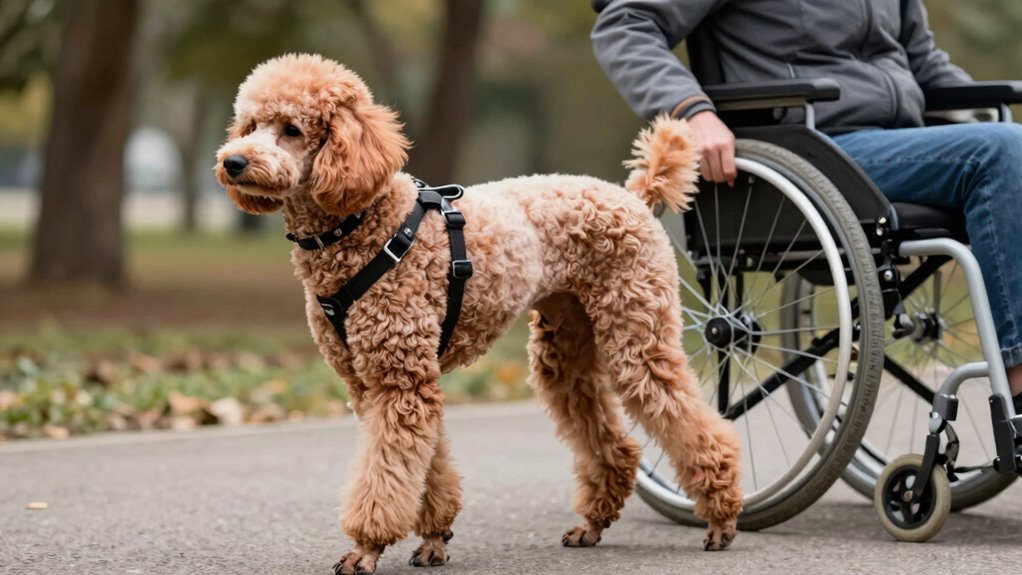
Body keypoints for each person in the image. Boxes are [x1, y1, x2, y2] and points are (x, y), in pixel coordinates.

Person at [591, 0, 1022, 407]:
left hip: (894, 145)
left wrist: (985, 124)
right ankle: (1020, 385)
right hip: (810, 146)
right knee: (1001, 152)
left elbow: (923, 62)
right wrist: (691, 111)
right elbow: (625, 25)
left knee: (1006, 151)